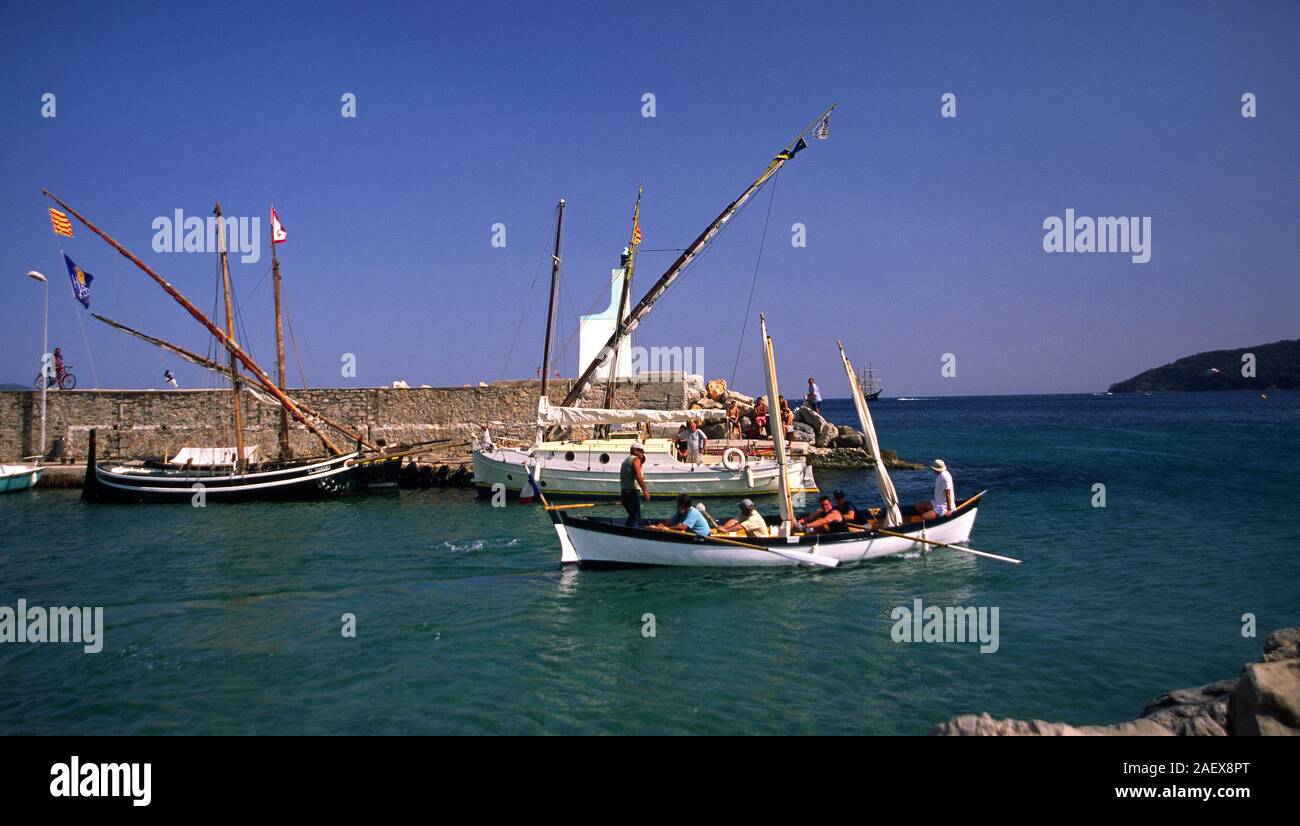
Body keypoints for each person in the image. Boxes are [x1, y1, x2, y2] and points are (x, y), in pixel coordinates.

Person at [619, 445, 651, 526]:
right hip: (633, 493)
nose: (643, 453)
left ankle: (625, 532)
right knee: (636, 516)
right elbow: (638, 475)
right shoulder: (635, 459)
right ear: (635, 451)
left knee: (632, 515)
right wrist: (645, 491)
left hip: (624, 493)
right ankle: (635, 534)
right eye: (641, 451)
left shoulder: (625, 461)